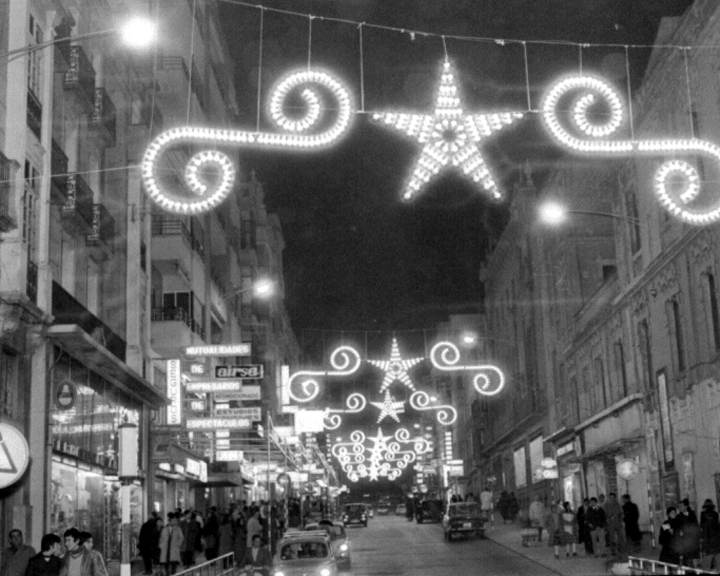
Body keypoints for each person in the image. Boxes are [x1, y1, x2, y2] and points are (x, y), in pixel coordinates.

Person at [676, 499, 701, 567]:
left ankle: (694, 569)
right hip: (685, 540)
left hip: (693, 539)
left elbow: (696, 525)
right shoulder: (678, 517)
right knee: (688, 558)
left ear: (686, 506)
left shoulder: (692, 514)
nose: (679, 508)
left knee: (695, 557)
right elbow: (677, 528)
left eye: (681, 506)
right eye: (679, 506)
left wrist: (699, 536)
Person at [701, 499, 720, 571]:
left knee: (706, 566)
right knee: (719, 564)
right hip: (717, 543)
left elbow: (703, 528)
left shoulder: (703, 514)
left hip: (708, 543)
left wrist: (704, 546)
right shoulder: (716, 514)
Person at [605, 493, 625, 557]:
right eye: (610, 497)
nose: (611, 499)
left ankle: (621, 550)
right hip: (610, 524)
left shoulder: (618, 505)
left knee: (620, 537)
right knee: (611, 538)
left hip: (618, 523)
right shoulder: (606, 505)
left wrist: (620, 520)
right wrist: (606, 520)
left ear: (615, 498)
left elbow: (621, 513)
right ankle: (613, 551)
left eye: (613, 497)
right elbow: (604, 514)